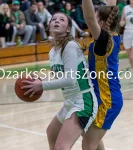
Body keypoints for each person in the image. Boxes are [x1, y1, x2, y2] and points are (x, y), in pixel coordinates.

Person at [21, 12, 98, 150]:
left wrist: (42, 85)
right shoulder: (53, 51)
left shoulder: (70, 46)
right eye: (53, 19)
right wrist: (41, 79)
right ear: (49, 25)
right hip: (70, 101)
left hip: (83, 100)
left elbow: (70, 80)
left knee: (62, 146)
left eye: (62, 20)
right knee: (52, 133)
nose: (56, 21)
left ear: (68, 29)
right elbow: (60, 76)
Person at [81, 0, 123, 149]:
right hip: (103, 97)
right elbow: (111, 5)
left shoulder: (104, 40)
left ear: (102, 22)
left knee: (87, 145)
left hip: (107, 100)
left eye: (97, 18)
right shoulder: (114, 34)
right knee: (92, 140)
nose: (94, 20)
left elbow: (89, 18)